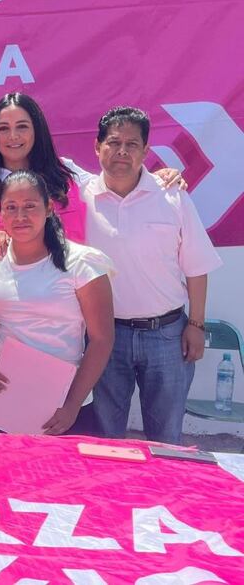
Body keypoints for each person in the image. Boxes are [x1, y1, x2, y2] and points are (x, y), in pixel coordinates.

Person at [83, 107, 222, 444]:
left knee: (166, 438)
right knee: (106, 438)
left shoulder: (172, 196)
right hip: (105, 337)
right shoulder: (80, 197)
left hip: (167, 335)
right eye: (113, 143)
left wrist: (197, 325)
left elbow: (196, 266)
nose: (122, 152)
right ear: (97, 147)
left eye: (132, 144)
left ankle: (165, 497)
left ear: (146, 152)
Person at [0, 92, 182, 256]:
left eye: (22, 127)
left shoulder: (65, 173)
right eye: (3, 128)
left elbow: (113, 184)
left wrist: (157, 178)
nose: (13, 136)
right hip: (9, 310)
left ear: (37, 131)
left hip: (72, 307)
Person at [0, 170, 115, 436]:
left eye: (30, 206)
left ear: (49, 208)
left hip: (61, 405)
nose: (20, 216)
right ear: (0, 213)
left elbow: (102, 339)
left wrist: (73, 405)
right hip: (2, 399)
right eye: (11, 208)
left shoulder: (82, 262)